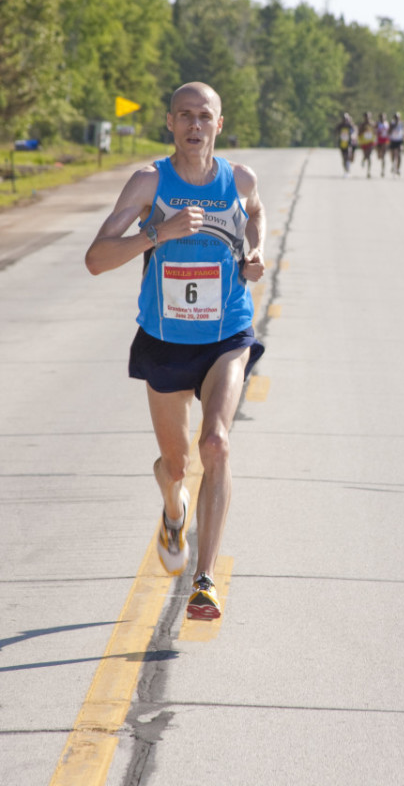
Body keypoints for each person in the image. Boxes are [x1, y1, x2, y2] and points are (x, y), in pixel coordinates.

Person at [85, 82, 266, 621]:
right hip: (165, 342)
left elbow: (255, 214)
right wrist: (154, 235)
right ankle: (172, 508)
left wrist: (256, 251)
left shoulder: (240, 179)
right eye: (184, 115)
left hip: (226, 335)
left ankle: (204, 580)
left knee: (216, 444)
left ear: (218, 123)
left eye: (203, 116)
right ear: (169, 122)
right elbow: (96, 259)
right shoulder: (149, 182)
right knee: (177, 463)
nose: (194, 124)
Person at [358, 111, 376, 178]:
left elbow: (375, 132)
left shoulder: (372, 124)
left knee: (369, 155)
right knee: (366, 155)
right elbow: (359, 133)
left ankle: (369, 171)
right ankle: (363, 159)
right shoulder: (362, 125)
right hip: (364, 142)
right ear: (364, 117)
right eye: (366, 117)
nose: (367, 118)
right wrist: (364, 130)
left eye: (368, 117)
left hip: (370, 142)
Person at [376, 112, 390, 177]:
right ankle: (379, 154)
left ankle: (383, 170)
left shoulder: (387, 124)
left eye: (383, 117)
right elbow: (374, 131)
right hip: (379, 141)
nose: (382, 118)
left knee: (383, 156)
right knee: (379, 156)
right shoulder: (377, 124)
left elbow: (389, 131)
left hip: (385, 141)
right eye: (381, 117)